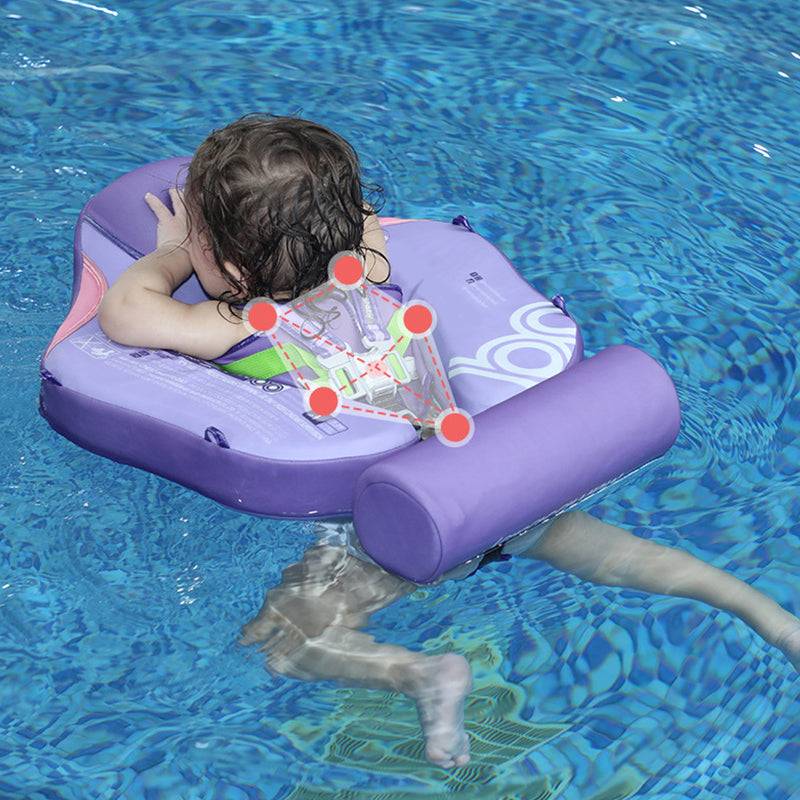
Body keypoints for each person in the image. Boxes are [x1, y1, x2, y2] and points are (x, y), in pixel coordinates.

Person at [98, 114, 800, 771]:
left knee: (285, 645)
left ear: (235, 273)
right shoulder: (370, 263)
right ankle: (764, 613)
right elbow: (365, 225)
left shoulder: (235, 324)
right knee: (620, 558)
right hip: (494, 486)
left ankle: (422, 676)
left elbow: (124, 314)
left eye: (204, 243)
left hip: (397, 522)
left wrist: (170, 255)